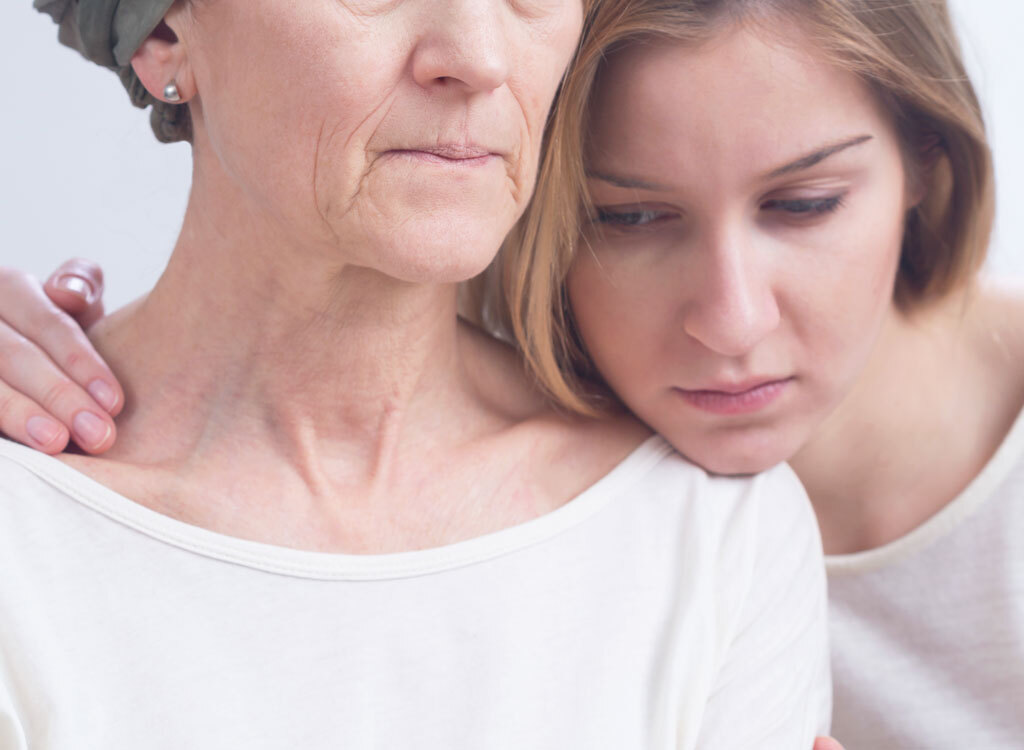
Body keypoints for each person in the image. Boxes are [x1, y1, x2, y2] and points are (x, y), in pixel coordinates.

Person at [5, 0, 1020, 747]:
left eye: (802, 204)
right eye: (626, 216)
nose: (480, 59)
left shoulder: (710, 535)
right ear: (162, 33)